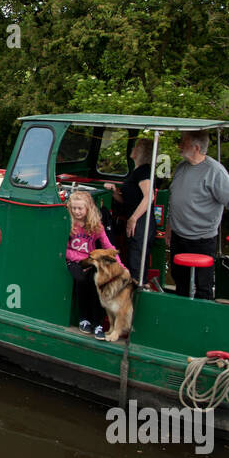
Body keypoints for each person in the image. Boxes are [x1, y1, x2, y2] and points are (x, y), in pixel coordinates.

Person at [167, 130, 229, 299]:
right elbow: (175, 200)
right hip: (178, 236)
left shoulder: (214, 171)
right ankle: (181, 314)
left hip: (201, 240)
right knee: (179, 280)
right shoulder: (181, 167)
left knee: (202, 285)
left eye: (183, 142)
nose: (179, 146)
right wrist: (169, 226)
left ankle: (203, 320)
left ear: (196, 147)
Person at [65, 190, 117, 339]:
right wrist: (83, 258)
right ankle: (83, 318)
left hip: (91, 262)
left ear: (88, 209)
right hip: (75, 261)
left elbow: (108, 246)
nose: (76, 211)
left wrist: (120, 265)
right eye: (73, 208)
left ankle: (98, 322)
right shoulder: (68, 223)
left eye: (80, 208)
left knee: (98, 282)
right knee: (80, 279)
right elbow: (64, 250)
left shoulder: (96, 225)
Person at [104, 137, 154, 281]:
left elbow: (148, 197)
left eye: (135, 147)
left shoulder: (143, 171)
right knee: (132, 260)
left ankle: (137, 296)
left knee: (136, 264)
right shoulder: (136, 171)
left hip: (141, 223)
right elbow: (128, 200)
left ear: (140, 151)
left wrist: (133, 219)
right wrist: (114, 192)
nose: (132, 149)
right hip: (136, 222)